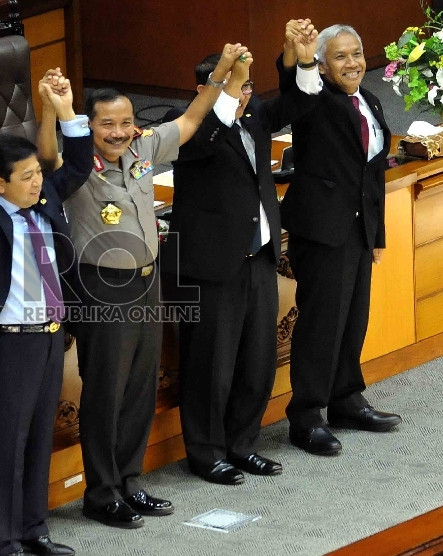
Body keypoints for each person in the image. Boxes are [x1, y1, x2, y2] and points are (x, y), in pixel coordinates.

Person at [37, 44, 251, 529]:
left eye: (125, 121)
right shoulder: (75, 167)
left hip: (148, 281)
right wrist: (53, 108)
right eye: (107, 124)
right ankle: (102, 491)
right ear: (88, 127)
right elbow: (48, 155)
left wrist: (220, 72)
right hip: (102, 285)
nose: (118, 132)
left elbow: (194, 119)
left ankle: (130, 480)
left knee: (139, 387)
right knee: (106, 393)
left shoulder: (144, 146)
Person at [0, 71, 93, 556]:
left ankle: (35, 531)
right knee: (4, 447)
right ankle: (2, 544)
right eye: (25, 177)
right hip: (10, 342)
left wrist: (66, 111)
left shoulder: (43, 199)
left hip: (50, 337)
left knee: (37, 441)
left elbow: (82, 163)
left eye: (37, 174)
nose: (36, 183)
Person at [166, 21, 320, 485]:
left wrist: (301, 58)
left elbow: (300, 102)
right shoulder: (189, 130)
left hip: (259, 258)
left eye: (249, 86)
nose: (247, 96)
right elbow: (211, 127)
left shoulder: (252, 118)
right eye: (238, 86)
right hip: (212, 266)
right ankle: (205, 452)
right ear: (206, 89)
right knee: (210, 366)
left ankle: (242, 445)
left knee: (257, 361)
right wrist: (225, 88)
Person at [277, 23, 402, 456]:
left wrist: (378, 233)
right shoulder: (314, 101)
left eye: (357, 53)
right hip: (322, 229)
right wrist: (302, 57)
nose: (352, 63)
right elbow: (295, 85)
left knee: (353, 319)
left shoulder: (368, 100)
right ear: (325, 66)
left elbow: (374, 175)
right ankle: (306, 415)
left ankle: (346, 399)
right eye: (340, 57)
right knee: (321, 325)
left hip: (357, 228)